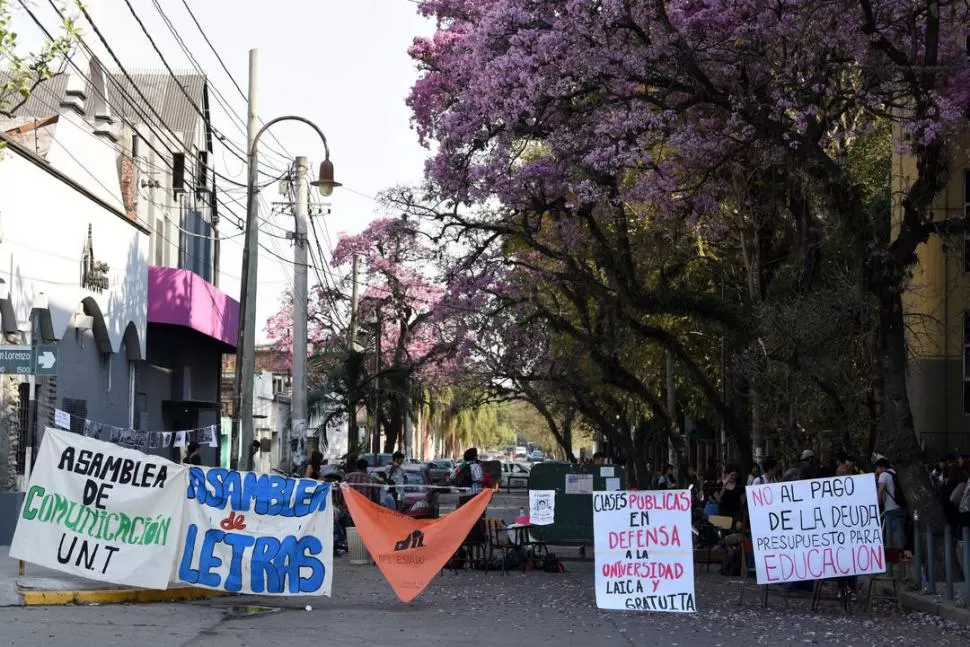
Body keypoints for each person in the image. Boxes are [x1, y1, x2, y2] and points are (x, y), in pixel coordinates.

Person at [874, 457, 907, 549]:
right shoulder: (894, 472)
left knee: (893, 533)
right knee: (900, 531)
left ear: (882, 467)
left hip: (891, 508)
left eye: (877, 468)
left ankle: (896, 555)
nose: (876, 470)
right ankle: (900, 553)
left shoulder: (883, 475)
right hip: (901, 506)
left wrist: (877, 504)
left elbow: (880, 493)